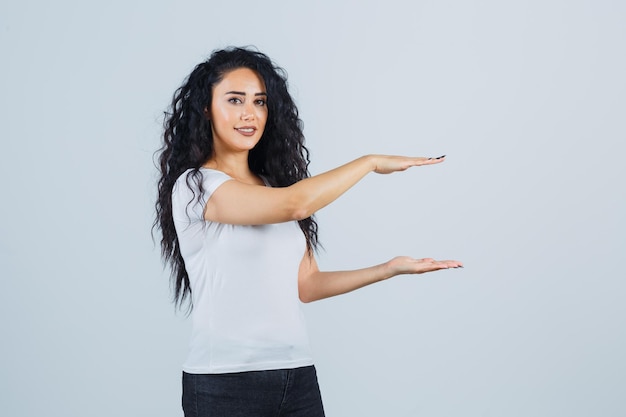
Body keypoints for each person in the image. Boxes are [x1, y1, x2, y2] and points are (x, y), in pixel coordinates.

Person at [154, 46, 462, 417]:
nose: (249, 113)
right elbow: (296, 205)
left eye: (260, 101)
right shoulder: (196, 186)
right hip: (225, 384)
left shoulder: (274, 184)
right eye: (234, 100)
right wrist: (370, 162)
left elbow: (307, 284)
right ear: (206, 108)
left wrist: (388, 269)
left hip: (297, 377)